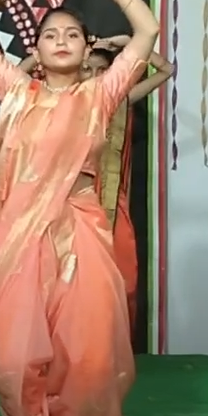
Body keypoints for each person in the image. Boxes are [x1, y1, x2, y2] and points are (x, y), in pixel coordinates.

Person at [0, 0, 159, 416]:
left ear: (88, 49)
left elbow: (147, 31)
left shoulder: (100, 94)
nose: (62, 41)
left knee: (88, 355)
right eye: (51, 34)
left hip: (82, 235)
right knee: (13, 358)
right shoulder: (15, 92)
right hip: (19, 243)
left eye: (72, 34)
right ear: (37, 49)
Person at [76, 35, 173, 334]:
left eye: (102, 70)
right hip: (72, 204)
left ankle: (109, 346)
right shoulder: (61, 102)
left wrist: (129, 41)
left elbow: (166, 70)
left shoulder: (120, 100)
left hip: (111, 204)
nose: (94, 76)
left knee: (120, 276)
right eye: (87, 69)